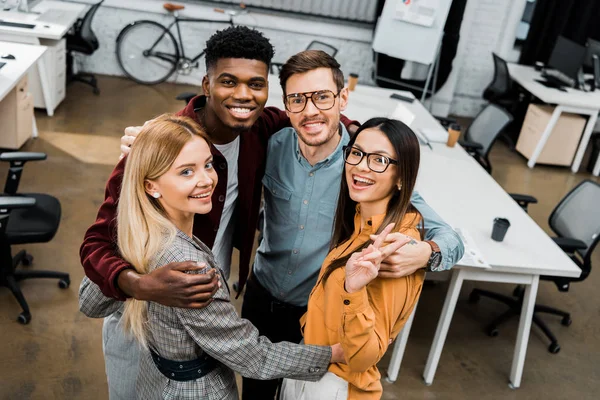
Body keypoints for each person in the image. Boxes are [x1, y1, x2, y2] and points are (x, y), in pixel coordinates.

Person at [80, 26, 359, 399]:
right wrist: (141, 285)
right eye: (229, 81)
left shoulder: (260, 129)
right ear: (207, 84)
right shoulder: (155, 148)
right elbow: (96, 244)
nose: (243, 95)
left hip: (206, 293)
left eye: (256, 84)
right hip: (142, 316)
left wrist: (362, 136)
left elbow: (313, 118)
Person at [240, 50, 464, 399]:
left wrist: (428, 252)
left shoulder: (364, 169)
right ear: (285, 105)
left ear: (342, 98)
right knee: (255, 392)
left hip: (314, 313)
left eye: (322, 97)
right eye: (297, 99)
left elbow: (450, 237)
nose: (310, 110)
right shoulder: (273, 146)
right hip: (262, 294)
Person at [281, 117, 424, 399]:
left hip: (335, 386)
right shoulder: (360, 222)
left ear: (402, 179)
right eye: (357, 153)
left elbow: (362, 358)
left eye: (379, 160)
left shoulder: (394, 251)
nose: (360, 166)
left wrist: (353, 292)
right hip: (312, 365)